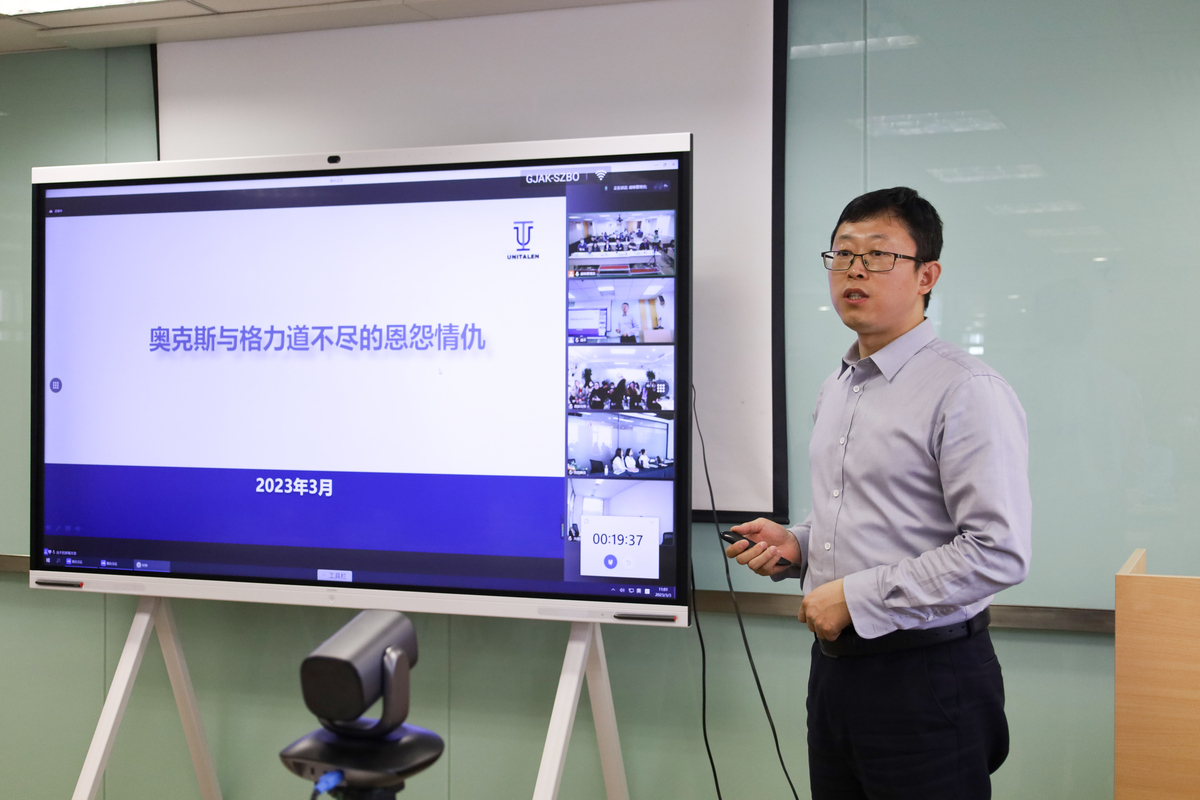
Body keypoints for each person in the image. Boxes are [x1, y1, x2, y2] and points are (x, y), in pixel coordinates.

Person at [725, 187, 1031, 799]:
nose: (854, 270)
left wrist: (857, 596)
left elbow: (998, 551)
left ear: (927, 276)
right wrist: (799, 545)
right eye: (842, 254)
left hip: (926, 675)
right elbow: (860, 514)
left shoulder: (966, 389)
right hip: (836, 671)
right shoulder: (840, 385)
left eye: (878, 254)